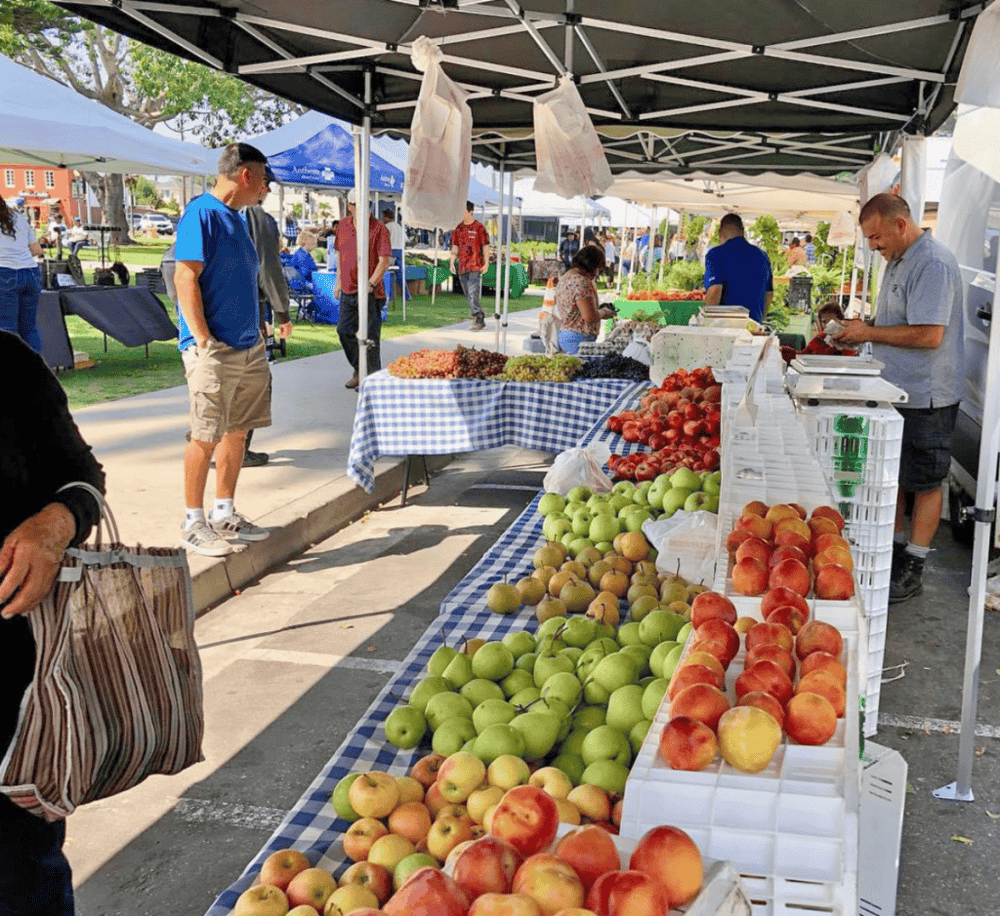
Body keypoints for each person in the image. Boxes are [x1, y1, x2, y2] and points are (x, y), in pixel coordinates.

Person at [0, 329, 105, 916]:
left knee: (25, 880)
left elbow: (82, 476)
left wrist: (56, 522)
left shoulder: (10, 364)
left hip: (17, 715)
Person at [831, 192, 964, 604]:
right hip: (897, 389)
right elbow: (896, 325)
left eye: (875, 237)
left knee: (924, 480)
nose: (872, 246)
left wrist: (868, 334)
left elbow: (929, 335)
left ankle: (915, 565)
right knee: (896, 475)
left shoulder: (932, 264)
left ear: (900, 225)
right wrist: (860, 330)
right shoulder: (898, 261)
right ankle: (893, 551)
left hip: (927, 394)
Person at [173, 142, 273, 557]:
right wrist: (200, 338)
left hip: (248, 346)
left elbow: (241, 279)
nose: (267, 188)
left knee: (238, 430)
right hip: (215, 350)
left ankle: (223, 511)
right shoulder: (201, 214)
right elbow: (184, 277)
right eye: (264, 179)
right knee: (205, 434)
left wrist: (259, 326)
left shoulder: (238, 219)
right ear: (246, 175)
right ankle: (193, 521)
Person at [243, 166, 293, 468]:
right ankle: (237, 449)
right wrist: (282, 311)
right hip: (243, 315)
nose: (269, 191)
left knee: (221, 385)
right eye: (266, 183)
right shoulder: (258, 219)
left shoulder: (202, 212)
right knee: (255, 383)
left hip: (205, 317)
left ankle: (208, 440)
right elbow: (268, 269)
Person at [334, 189, 392, 389]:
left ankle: (373, 382)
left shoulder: (379, 229)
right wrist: (337, 282)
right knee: (344, 331)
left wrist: (370, 284)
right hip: (348, 290)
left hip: (371, 293)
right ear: (351, 206)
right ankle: (360, 370)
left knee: (371, 339)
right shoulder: (343, 226)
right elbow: (340, 256)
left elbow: (384, 261)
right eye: (358, 204)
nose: (363, 208)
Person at [703, 213, 774, 324]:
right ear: (743, 231)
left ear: (719, 233)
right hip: (754, 327)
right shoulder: (762, 256)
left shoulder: (715, 254)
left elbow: (715, 290)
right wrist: (759, 319)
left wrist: (707, 322)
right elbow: (769, 294)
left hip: (726, 326)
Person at [0, 195, 43, 353]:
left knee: (7, 329)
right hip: (30, 272)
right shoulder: (19, 217)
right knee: (29, 328)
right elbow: (37, 250)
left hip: (4, 272)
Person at [553, 245, 615, 355]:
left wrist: (597, 308)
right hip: (579, 339)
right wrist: (604, 312)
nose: (597, 274)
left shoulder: (564, 278)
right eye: (598, 270)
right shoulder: (582, 282)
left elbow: (576, 309)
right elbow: (589, 317)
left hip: (565, 335)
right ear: (591, 266)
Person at [449, 201, 490, 330]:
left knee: (473, 292)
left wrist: (487, 263)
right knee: (468, 294)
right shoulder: (458, 228)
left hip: (475, 265)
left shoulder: (479, 227)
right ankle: (480, 314)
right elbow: (455, 247)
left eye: (462, 211)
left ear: (470, 211)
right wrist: (452, 261)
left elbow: (485, 247)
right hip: (462, 266)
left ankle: (478, 318)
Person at [382, 207, 408, 303]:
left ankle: (389, 294)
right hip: (400, 251)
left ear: (386, 217)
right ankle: (406, 294)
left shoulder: (387, 226)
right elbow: (405, 239)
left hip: (390, 251)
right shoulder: (398, 226)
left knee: (386, 272)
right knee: (400, 274)